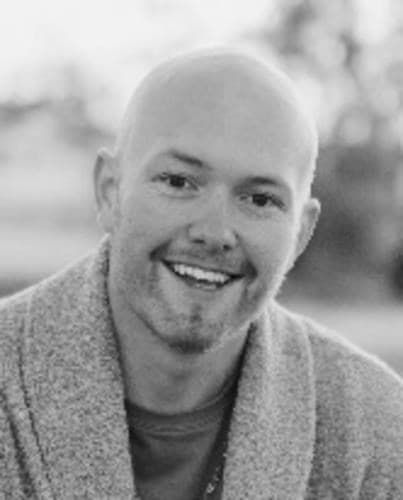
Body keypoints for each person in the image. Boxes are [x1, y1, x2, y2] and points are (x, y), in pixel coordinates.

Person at [1, 48, 402, 500]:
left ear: (300, 235)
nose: (214, 233)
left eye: (260, 199)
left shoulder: (377, 431)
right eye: (178, 182)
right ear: (110, 191)